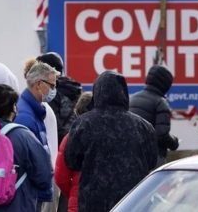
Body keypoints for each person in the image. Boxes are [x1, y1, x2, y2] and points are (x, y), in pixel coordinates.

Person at [65, 71, 157, 212]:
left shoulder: (83, 124)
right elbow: (152, 162)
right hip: (132, 202)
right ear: (124, 92)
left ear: (97, 92)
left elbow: (71, 161)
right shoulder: (144, 127)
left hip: (93, 202)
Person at [14, 62, 59, 211]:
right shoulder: (26, 116)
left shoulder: (34, 111)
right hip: (30, 194)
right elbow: (27, 161)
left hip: (33, 192)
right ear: (39, 84)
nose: (54, 90)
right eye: (52, 86)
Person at [129, 65, 179, 167]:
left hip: (130, 154)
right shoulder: (161, 103)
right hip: (152, 157)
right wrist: (174, 142)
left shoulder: (131, 98)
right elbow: (161, 135)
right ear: (166, 84)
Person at [55, 91, 93, 212]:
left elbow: (61, 177)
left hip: (78, 202)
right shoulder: (111, 134)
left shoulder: (71, 137)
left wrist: (72, 192)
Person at [36, 52, 82, 145]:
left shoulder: (51, 94)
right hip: (76, 144)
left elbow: (52, 127)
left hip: (58, 148)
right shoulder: (75, 89)